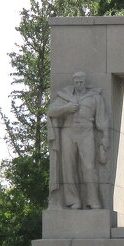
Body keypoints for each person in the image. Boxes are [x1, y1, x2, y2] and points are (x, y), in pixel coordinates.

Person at [48, 70, 109, 209]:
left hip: (86, 132)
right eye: (76, 82)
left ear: (85, 82)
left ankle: (93, 201)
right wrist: (66, 108)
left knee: (89, 167)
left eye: (81, 82)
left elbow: (102, 121)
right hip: (68, 132)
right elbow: (50, 111)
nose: (79, 84)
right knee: (68, 167)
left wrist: (105, 138)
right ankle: (73, 200)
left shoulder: (94, 97)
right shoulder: (65, 96)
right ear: (73, 82)